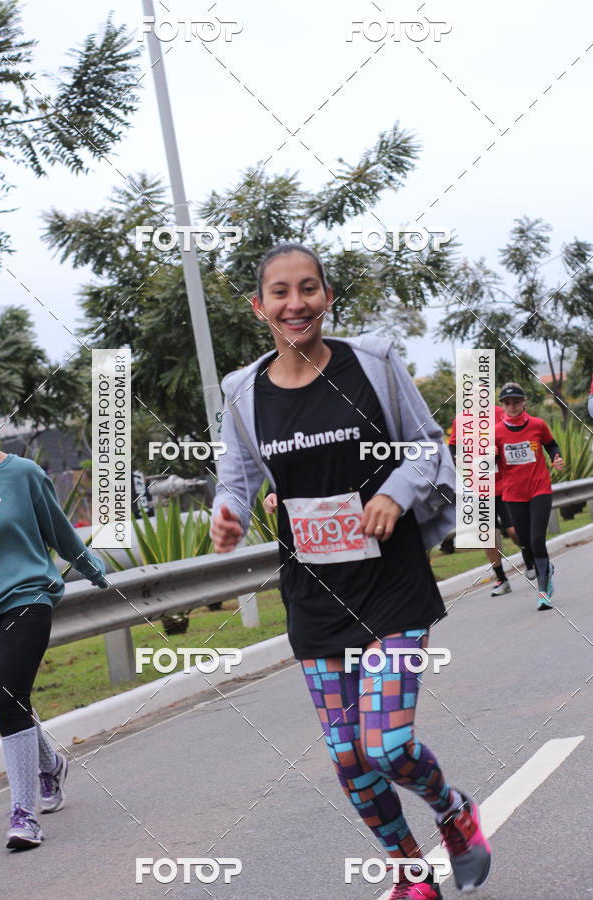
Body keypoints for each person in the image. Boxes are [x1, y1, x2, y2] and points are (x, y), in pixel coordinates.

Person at [211, 242, 492, 898]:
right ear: (259, 307)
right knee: (348, 758)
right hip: (314, 592)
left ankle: (453, 811)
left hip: (391, 584)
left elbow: (427, 448)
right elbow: (237, 475)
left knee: (386, 746)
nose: (296, 303)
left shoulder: (371, 363)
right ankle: (411, 873)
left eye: (308, 288)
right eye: (280, 292)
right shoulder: (244, 392)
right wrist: (228, 513)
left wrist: (395, 493)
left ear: (327, 297)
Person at [0, 448, 108, 849]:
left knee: (6, 695)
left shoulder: (23, 474)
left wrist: (91, 569)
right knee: (8, 697)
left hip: (26, 596)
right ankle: (51, 764)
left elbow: (58, 531)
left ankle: (23, 815)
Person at [449, 408, 535, 595]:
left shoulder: (500, 413)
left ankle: (531, 560)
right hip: (479, 488)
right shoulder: (461, 420)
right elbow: (453, 446)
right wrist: (457, 459)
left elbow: (516, 434)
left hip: (503, 485)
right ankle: (502, 579)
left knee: (513, 531)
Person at [495, 383, 564, 611]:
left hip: (539, 489)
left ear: (524, 402)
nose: (512, 406)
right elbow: (490, 465)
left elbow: (552, 446)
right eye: (507, 403)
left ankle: (543, 591)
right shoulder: (496, 432)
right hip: (513, 493)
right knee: (525, 541)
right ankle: (545, 569)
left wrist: (556, 457)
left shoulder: (537, 425)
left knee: (536, 539)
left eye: (516, 401)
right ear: (502, 405)